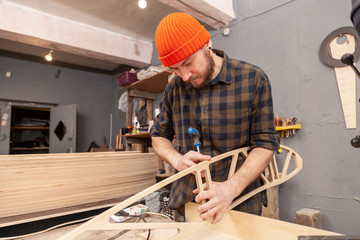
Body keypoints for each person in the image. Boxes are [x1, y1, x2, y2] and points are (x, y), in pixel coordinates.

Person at [150, 12, 280, 224]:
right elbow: (158, 135)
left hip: (239, 203)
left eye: (189, 62)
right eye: (174, 69)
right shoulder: (174, 87)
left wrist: (231, 188)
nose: (184, 76)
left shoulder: (253, 79)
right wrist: (177, 159)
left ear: (206, 44)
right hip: (187, 202)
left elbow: (265, 144)